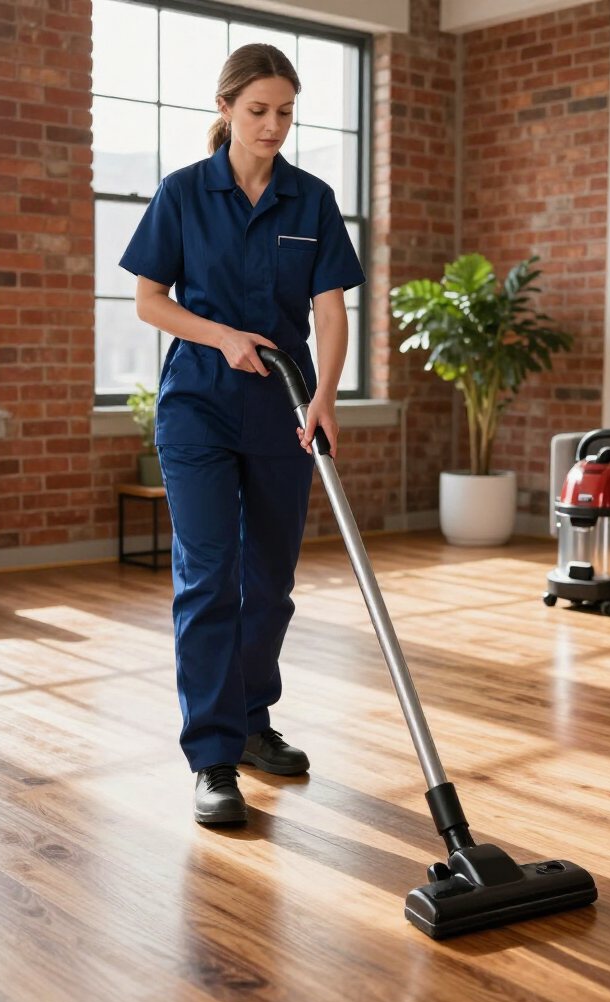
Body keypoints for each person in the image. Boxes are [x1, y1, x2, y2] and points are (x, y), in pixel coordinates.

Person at [119, 44, 364, 825]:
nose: (273, 126)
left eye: (286, 112)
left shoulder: (312, 200)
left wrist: (324, 396)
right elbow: (150, 300)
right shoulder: (184, 193)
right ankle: (214, 756)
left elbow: (330, 309)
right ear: (226, 108)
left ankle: (255, 722)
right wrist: (220, 334)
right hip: (197, 405)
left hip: (285, 410)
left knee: (272, 581)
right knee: (208, 575)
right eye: (258, 110)